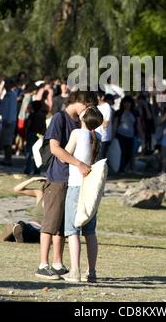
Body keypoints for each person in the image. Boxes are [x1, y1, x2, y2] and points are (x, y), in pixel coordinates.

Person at [35, 89, 98, 280]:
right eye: (88, 105)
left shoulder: (80, 124)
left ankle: (57, 263)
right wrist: (79, 164)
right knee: (50, 223)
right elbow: (55, 148)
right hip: (56, 178)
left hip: (72, 181)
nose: (88, 110)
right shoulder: (59, 118)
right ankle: (43, 264)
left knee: (63, 226)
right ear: (79, 101)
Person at [63, 106, 103, 283]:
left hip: (76, 186)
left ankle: (75, 271)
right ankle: (92, 271)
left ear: (84, 118)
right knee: (90, 231)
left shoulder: (77, 133)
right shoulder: (98, 137)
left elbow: (64, 154)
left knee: (73, 230)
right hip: (91, 188)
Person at [0, 176, 46, 243]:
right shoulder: (40, 194)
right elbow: (17, 189)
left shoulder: (59, 200)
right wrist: (32, 179)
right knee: (21, 225)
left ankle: (15, 235)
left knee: (27, 230)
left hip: (41, 230)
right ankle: (16, 234)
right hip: (30, 225)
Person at [24, 101, 47, 175]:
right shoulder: (43, 115)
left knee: (29, 152)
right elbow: (44, 126)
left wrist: (26, 133)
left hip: (32, 133)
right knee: (37, 152)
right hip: (39, 135)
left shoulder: (32, 115)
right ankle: (37, 169)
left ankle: (28, 169)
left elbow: (28, 125)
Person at [0, 79, 18, 166]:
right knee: (5, 141)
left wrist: (9, 121)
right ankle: (6, 158)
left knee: (8, 142)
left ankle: (8, 160)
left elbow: (12, 110)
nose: (5, 86)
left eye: (7, 84)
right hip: (5, 120)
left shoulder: (12, 95)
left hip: (9, 122)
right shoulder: (6, 94)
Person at [95, 88, 113, 160]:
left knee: (101, 159)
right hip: (94, 136)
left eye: (97, 96)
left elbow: (106, 123)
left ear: (102, 97)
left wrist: (94, 120)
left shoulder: (107, 107)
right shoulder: (95, 106)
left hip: (103, 138)